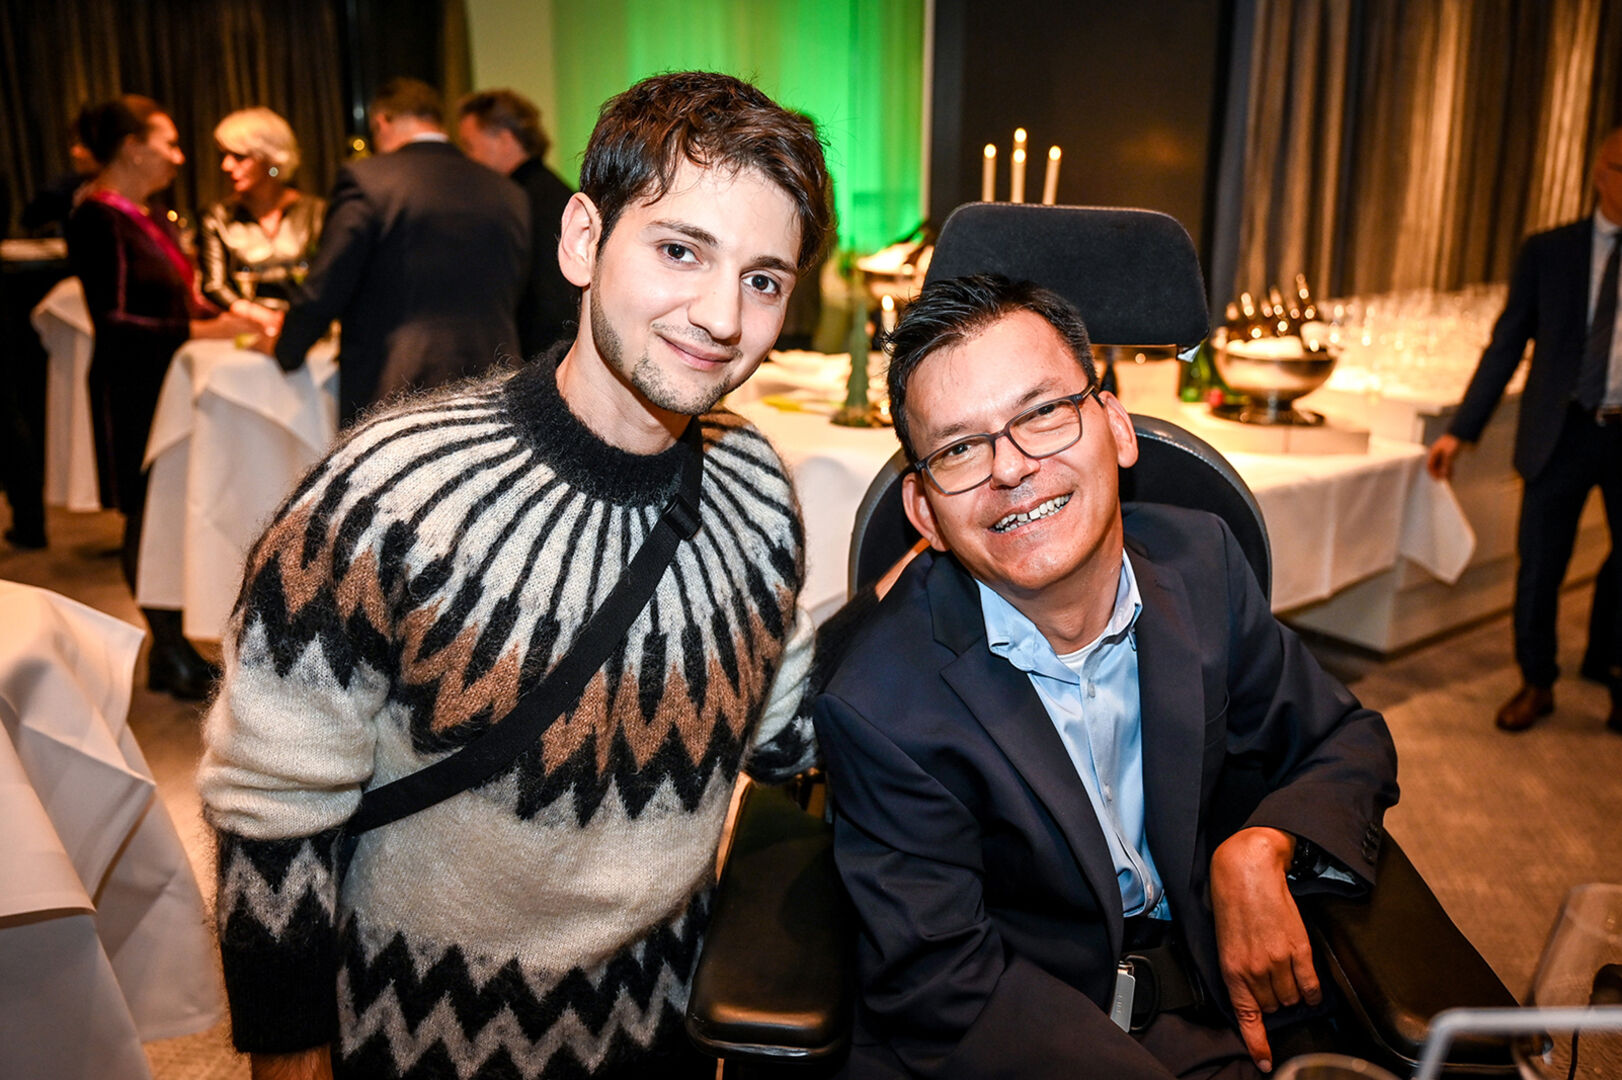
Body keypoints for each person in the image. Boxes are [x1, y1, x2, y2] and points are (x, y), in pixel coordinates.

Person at [199, 71, 834, 1079]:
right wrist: (289, 1053)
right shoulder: (386, 492)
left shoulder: (756, 490)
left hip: (661, 1030)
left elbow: (787, 722)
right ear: (582, 239)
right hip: (413, 1039)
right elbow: (270, 804)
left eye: (763, 279)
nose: (721, 316)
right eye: (679, 250)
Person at [815, 274, 1400, 1079]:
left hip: (1223, 999)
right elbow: (945, 989)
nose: (1012, 469)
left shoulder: (1203, 569)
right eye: (958, 448)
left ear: (1117, 429)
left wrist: (1263, 847)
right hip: (1028, 1036)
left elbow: (1344, 738)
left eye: (1044, 413)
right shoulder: (880, 702)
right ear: (924, 513)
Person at [1427, 126, 1622, 736]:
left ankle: (1611, 664)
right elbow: (1507, 343)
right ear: (1597, 170)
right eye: (1620, 168)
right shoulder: (1551, 251)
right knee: (1540, 566)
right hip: (1559, 432)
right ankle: (1537, 680)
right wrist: (1463, 429)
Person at [65, 95, 257, 698]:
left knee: (164, 509)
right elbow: (115, 321)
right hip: (133, 390)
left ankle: (172, 648)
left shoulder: (143, 214)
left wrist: (232, 313)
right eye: (168, 143)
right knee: (146, 516)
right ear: (131, 147)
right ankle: (166, 649)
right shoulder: (98, 218)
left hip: (166, 383)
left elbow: (179, 297)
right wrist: (204, 331)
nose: (179, 157)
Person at [270, 78, 530, 427]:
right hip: (496, 383)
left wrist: (286, 349)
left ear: (382, 122)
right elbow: (515, 287)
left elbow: (328, 282)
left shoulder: (368, 180)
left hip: (398, 384)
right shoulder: (508, 191)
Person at [457, 88, 577, 358]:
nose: (467, 158)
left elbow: (547, 301)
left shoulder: (515, 201)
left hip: (541, 356)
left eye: (469, 146)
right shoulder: (552, 190)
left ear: (504, 139)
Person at [198, 107, 326, 334]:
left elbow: (329, 279)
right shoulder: (218, 216)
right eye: (223, 155)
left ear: (270, 157)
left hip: (307, 331)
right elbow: (213, 285)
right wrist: (258, 315)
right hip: (245, 333)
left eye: (239, 156)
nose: (226, 166)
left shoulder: (315, 212)